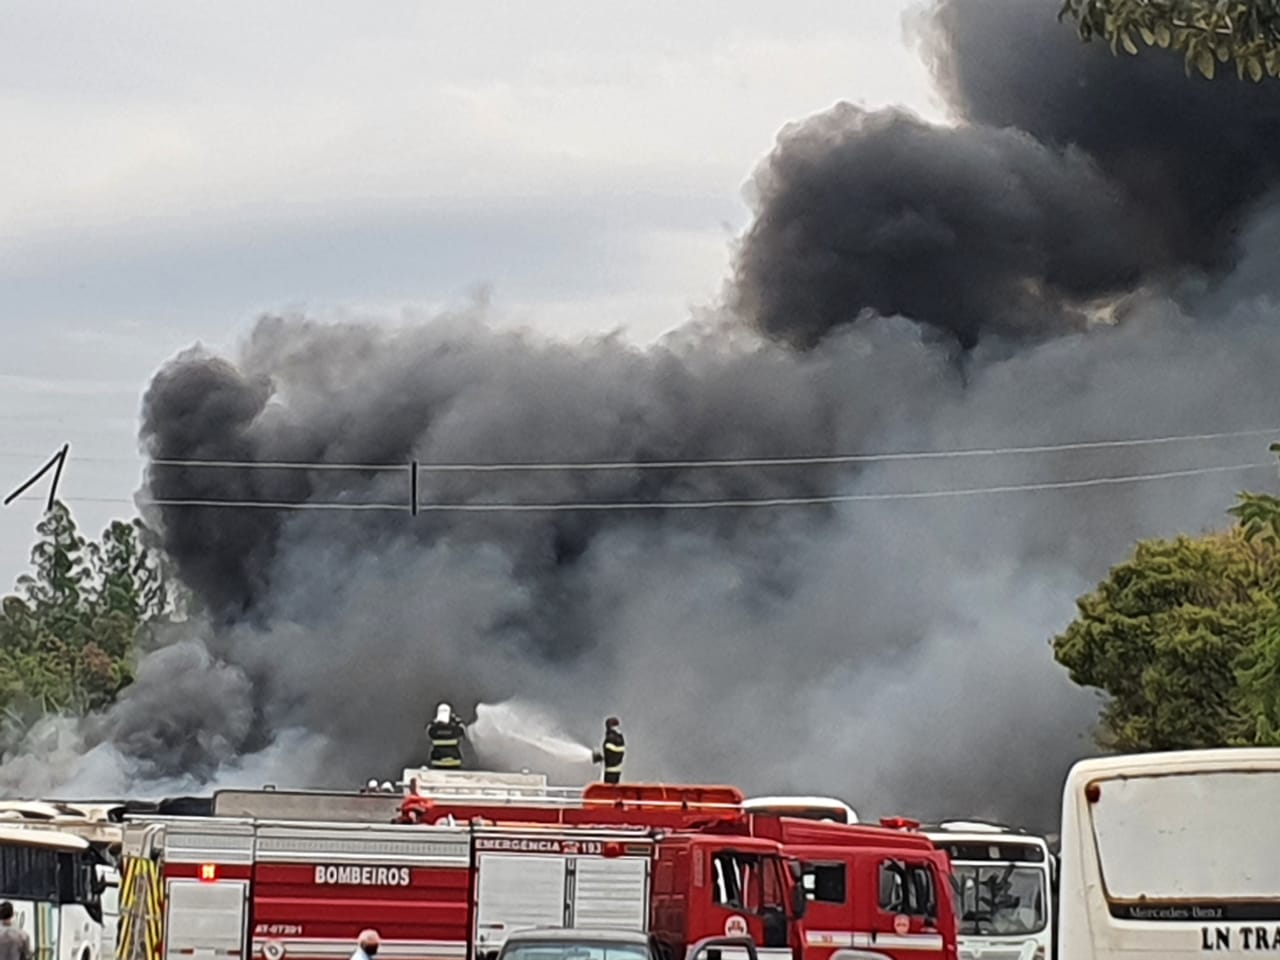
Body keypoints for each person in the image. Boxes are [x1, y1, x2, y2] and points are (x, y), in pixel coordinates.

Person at [425, 702, 466, 769]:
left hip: (437, 761)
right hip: (454, 761)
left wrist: (434, 722)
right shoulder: (455, 730)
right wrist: (457, 721)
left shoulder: (433, 730)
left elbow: (428, 733)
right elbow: (463, 730)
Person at [591, 716, 625, 784]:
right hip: (617, 771)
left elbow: (611, 755)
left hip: (610, 772)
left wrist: (601, 757)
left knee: (608, 789)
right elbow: (615, 754)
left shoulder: (610, 738)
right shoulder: (620, 738)